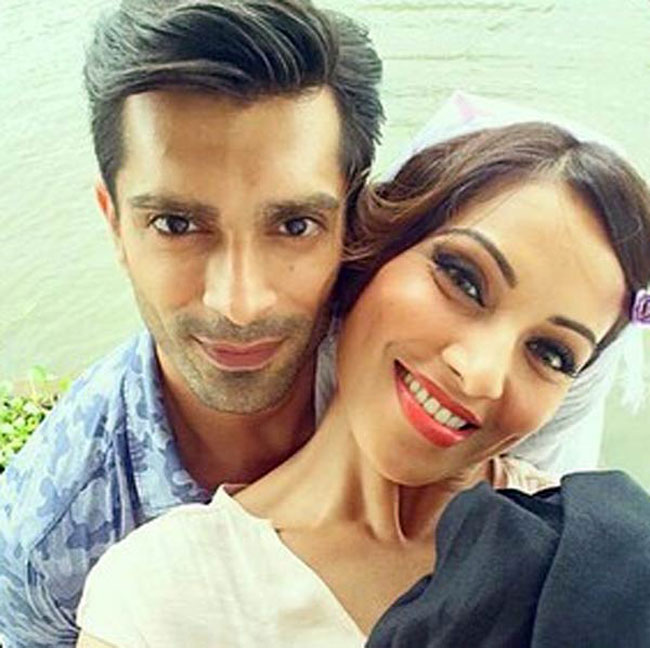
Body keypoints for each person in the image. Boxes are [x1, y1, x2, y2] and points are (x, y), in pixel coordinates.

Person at [0, 1, 630, 644]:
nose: (240, 303)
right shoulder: (59, 539)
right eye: (176, 224)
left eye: (295, 225)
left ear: (356, 221)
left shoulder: (427, 365)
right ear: (114, 224)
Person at [75, 119, 650, 647]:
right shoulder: (158, 600)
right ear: (373, 255)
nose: (481, 373)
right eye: (463, 280)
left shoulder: (595, 560)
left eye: (551, 353)